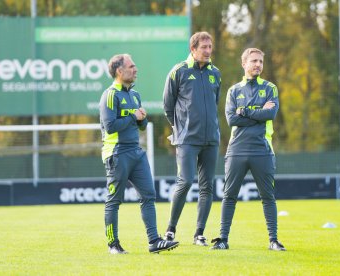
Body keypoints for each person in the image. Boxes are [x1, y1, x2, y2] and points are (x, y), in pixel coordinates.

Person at [99, 54, 179, 254]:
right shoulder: (110, 95)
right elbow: (110, 126)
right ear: (120, 71)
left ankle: (154, 241)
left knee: (148, 196)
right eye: (131, 66)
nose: (135, 70)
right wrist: (133, 116)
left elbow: (141, 126)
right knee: (114, 201)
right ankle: (113, 245)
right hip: (117, 153)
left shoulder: (135, 95)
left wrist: (142, 118)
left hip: (136, 151)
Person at [211, 48, 286, 251]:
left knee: (267, 196)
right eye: (253, 61)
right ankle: (223, 239)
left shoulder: (270, 88)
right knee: (229, 196)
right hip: (236, 150)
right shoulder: (234, 91)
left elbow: (270, 115)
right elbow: (231, 119)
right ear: (244, 63)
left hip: (262, 150)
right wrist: (258, 111)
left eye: (260, 61)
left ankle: (273, 240)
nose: (258, 65)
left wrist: (245, 111)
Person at [163, 32, 221, 246]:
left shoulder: (216, 73)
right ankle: (170, 229)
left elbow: (215, 102)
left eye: (210, 46)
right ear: (193, 49)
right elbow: (168, 106)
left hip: (211, 139)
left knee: (207, 187)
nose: (208, 50)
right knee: (185, 181)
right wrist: (179, 128)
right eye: (203, 47)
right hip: (186, 139)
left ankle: (199, 233)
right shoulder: (179, 71)